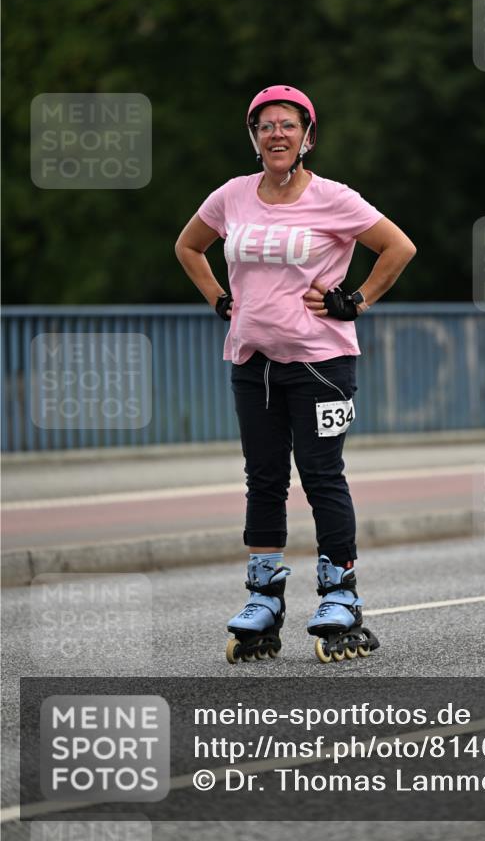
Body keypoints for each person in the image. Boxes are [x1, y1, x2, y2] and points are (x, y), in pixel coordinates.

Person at [175, 85, 416, 664]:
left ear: (307, 136)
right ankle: (264, 599)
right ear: (254, 138)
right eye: (264, 127)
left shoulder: (334, 198)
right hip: (251, 360)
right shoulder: (233, 196)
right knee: (263, 479)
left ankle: (340, 596)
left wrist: (354, 300)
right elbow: (189, 246)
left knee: (321, 477)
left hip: (321, 362)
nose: (275, 134)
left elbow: (397, 248)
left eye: (287, 125)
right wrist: (218, 299)